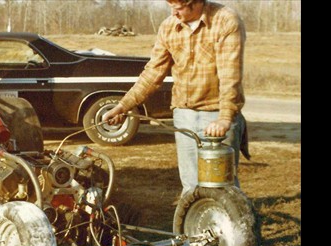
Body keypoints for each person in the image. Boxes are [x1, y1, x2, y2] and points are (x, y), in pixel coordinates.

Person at [102, 0, 250, 198]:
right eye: (170, 6)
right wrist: (123, 106)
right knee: (190, 187)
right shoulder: (168, 26)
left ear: (196, 3)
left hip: (217, 115)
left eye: (178, 8)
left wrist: (224, 118)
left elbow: (229, 75)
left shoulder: (225, 20)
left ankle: (235, 227)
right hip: (185, 115)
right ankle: (192, 228)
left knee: (223, 188)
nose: (173, 13)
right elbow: (152, 73)